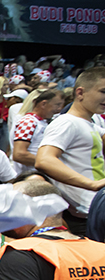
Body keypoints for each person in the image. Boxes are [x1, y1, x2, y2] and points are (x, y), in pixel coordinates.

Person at [36, 67, 105, 236]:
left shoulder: (89, 123)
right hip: (85, 215)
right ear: (80, 93)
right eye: (103, 91)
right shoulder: (66, 122)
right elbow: (44, 160)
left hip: (93, 210)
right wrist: (91, 184)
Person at [12, 89, 64, 175]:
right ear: (43, 104)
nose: (59, 109)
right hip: (29, 176)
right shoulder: (28, 121)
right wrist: (50, 164)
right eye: (57, 105)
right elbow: (19, 154)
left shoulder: (42, 122)